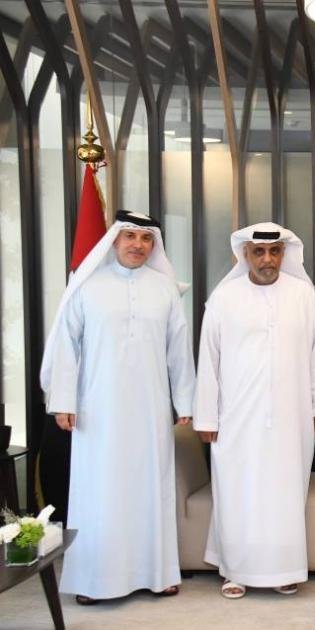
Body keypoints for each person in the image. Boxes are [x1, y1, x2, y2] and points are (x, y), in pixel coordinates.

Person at [40, 210, 195, 604]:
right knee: (100, 491)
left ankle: (158, 574)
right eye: (130, 237)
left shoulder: (165, 290)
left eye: (146, 238)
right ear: (114, 240)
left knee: (151, 489)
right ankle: (95, 581)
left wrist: (185, 402)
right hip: (98, 410)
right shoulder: (87, 286)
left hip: (150, 408)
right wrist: (63, 400)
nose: (138, 245)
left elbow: (179, 351)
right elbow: (66, 345)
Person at [194, 223, 315, 599]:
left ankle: (284, 570)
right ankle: (235, 571)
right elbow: (208, 359)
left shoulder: (303, 295)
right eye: (259, 252)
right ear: (245, 255)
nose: (267, 259)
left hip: (292, 416)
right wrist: (206, 416)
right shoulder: (224, 297)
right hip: (236, 418)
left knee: (285, 493)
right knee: (238, 492)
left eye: (274, 252)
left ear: (284, 254)